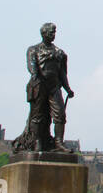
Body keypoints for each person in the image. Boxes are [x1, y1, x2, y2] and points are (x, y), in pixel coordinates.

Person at [12, 23, 75, 153]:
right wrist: (36, 75)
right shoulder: (33, 50)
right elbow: (32, 66)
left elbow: (62, 73)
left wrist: (67, 88)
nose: (53, 35)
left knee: (60, 114)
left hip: (54, 87)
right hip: (39, 85)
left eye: (54, 33)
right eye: (51, 32)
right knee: (38, 116)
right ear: (44, 34)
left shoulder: (60, 53)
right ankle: (37, 142)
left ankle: (59, 143)